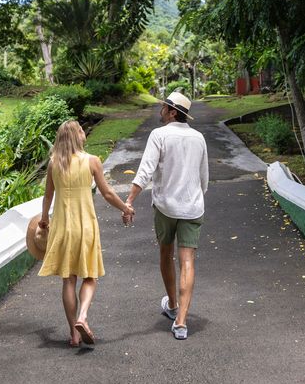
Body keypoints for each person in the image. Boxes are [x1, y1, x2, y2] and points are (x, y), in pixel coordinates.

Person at [38, 119, 134, 347]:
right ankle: (82, 316)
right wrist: (125, 208)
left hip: (62, 226)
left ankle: (74, 334)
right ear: (75, 136)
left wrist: (43, 219)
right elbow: (108, 193)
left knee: (68, 279)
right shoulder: (92, 161)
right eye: (82, 130)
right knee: (90, 276)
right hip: (85, 226)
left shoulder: (54, 164)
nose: (84, 133)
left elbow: (48, 197)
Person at [124, 91, 208, 340]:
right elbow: (204, 179)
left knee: (165, 253)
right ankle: (181, 322)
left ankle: (172, 304)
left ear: (172, 112)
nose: (160, 111)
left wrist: (129, 200)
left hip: (165, 208)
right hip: (193, 207)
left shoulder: (159, 135)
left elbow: (145, 171)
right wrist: (193, 196)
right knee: (188, 261)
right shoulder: (199, 138)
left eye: (163, 107)